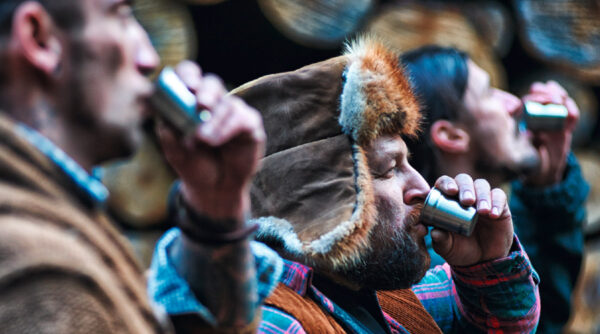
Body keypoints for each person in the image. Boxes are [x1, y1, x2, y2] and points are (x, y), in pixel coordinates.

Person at [151, 37, 540, 333]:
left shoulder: (380, 291)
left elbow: (504, 325)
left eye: (409, 163)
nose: (422, 186)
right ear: (318, 200)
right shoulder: (280, 323)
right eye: (390, 169)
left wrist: (487, 266)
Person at [0, 0, 280, 333]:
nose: (150, 58)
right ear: (39, 38)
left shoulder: (53, 223)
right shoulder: (40, 276)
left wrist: (216, 212)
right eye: (121, 15)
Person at [401, 45, 589, 334]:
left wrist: (547, 191)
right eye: (489, 93)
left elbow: (543, 319)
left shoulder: (463, 241)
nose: (514, 103)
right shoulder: (429, 273)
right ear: (451, 135)